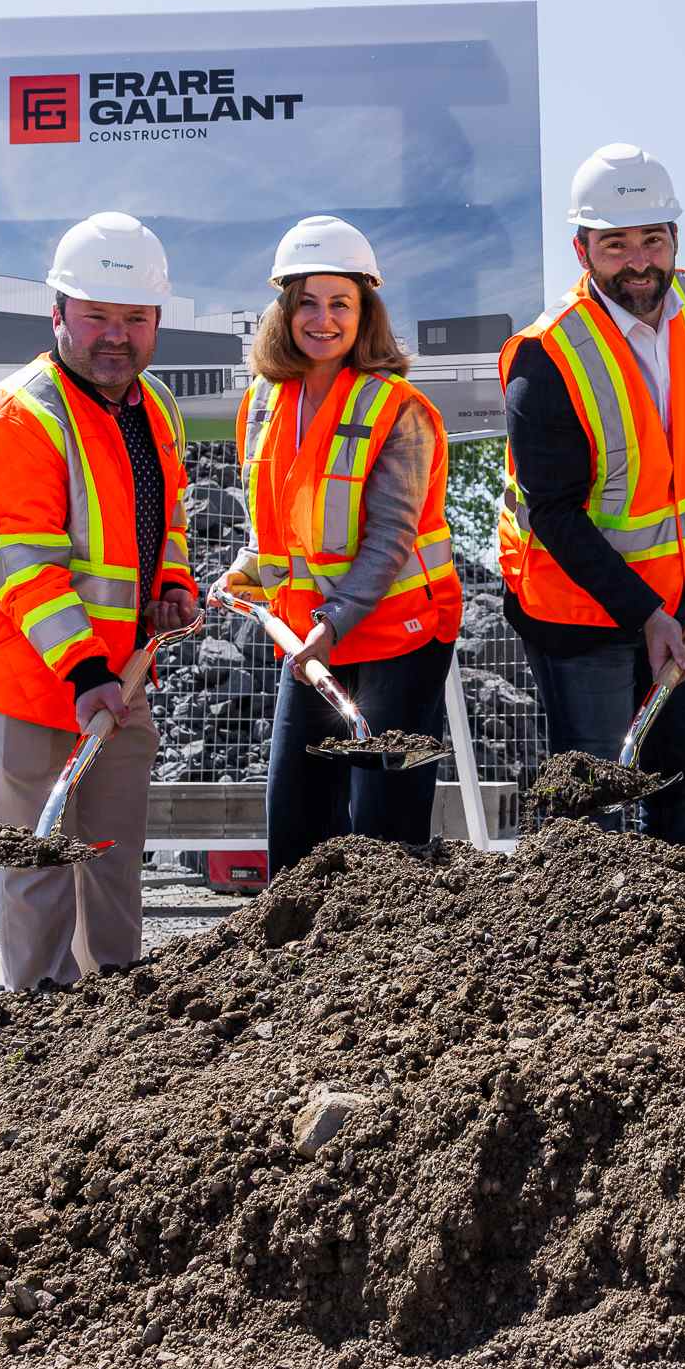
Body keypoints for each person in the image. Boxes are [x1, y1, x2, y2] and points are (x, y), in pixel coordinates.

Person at [0, 211, 200, 990]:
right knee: (38, 866)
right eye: (97, 317)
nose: (116, 335)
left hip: (118, 676)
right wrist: (87, 677)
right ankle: (37, 1028)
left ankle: (113, 1017)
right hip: (23, 681)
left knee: (110, 861)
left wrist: (172, 587)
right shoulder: (14, 420)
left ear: (155, 322)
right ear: (58, 314)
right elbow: (25, 569)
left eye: (134, 319)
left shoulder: (155, 406)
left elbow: (167, 515)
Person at [495, 143, 685, 851]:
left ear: (675, 238)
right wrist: (644, 614)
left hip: (673, 597)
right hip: (577, 610)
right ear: (582, 249)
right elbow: (553, 515)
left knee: (684, 780)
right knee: (596, 802)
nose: (638, 260)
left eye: (652, 239)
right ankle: (586, 955)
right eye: (615, 244)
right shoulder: (546, 355)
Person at [220, 215, 462, 876]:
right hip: (313, 638)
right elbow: (279, 524)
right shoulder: (264, 404)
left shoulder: (398, 409)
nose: (322, 319)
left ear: (366, 313)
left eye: (340, 304)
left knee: (385, 829)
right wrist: (247, 570)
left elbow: (390, 536)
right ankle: (299, 968)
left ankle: (394, 969)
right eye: (307, 303)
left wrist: (331, 623)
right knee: (297, 822)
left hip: (398, 636)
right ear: (284, 312)